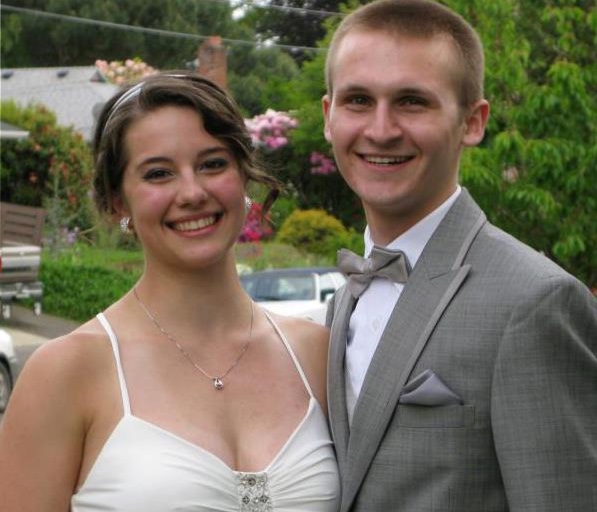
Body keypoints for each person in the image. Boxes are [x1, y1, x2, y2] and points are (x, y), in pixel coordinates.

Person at [0, 72, 340, 511]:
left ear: (244, 177)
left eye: (213, 164)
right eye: (158, 173)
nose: (192, 192)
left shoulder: (317, 354)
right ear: (118, 201)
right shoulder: (66, 372)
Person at [321, 1, 597, 511]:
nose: (380, 129)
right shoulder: (340, 306)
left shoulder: (536, 301)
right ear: (328, 116)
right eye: (358, 100)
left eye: (412, 102)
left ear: (472, 122)